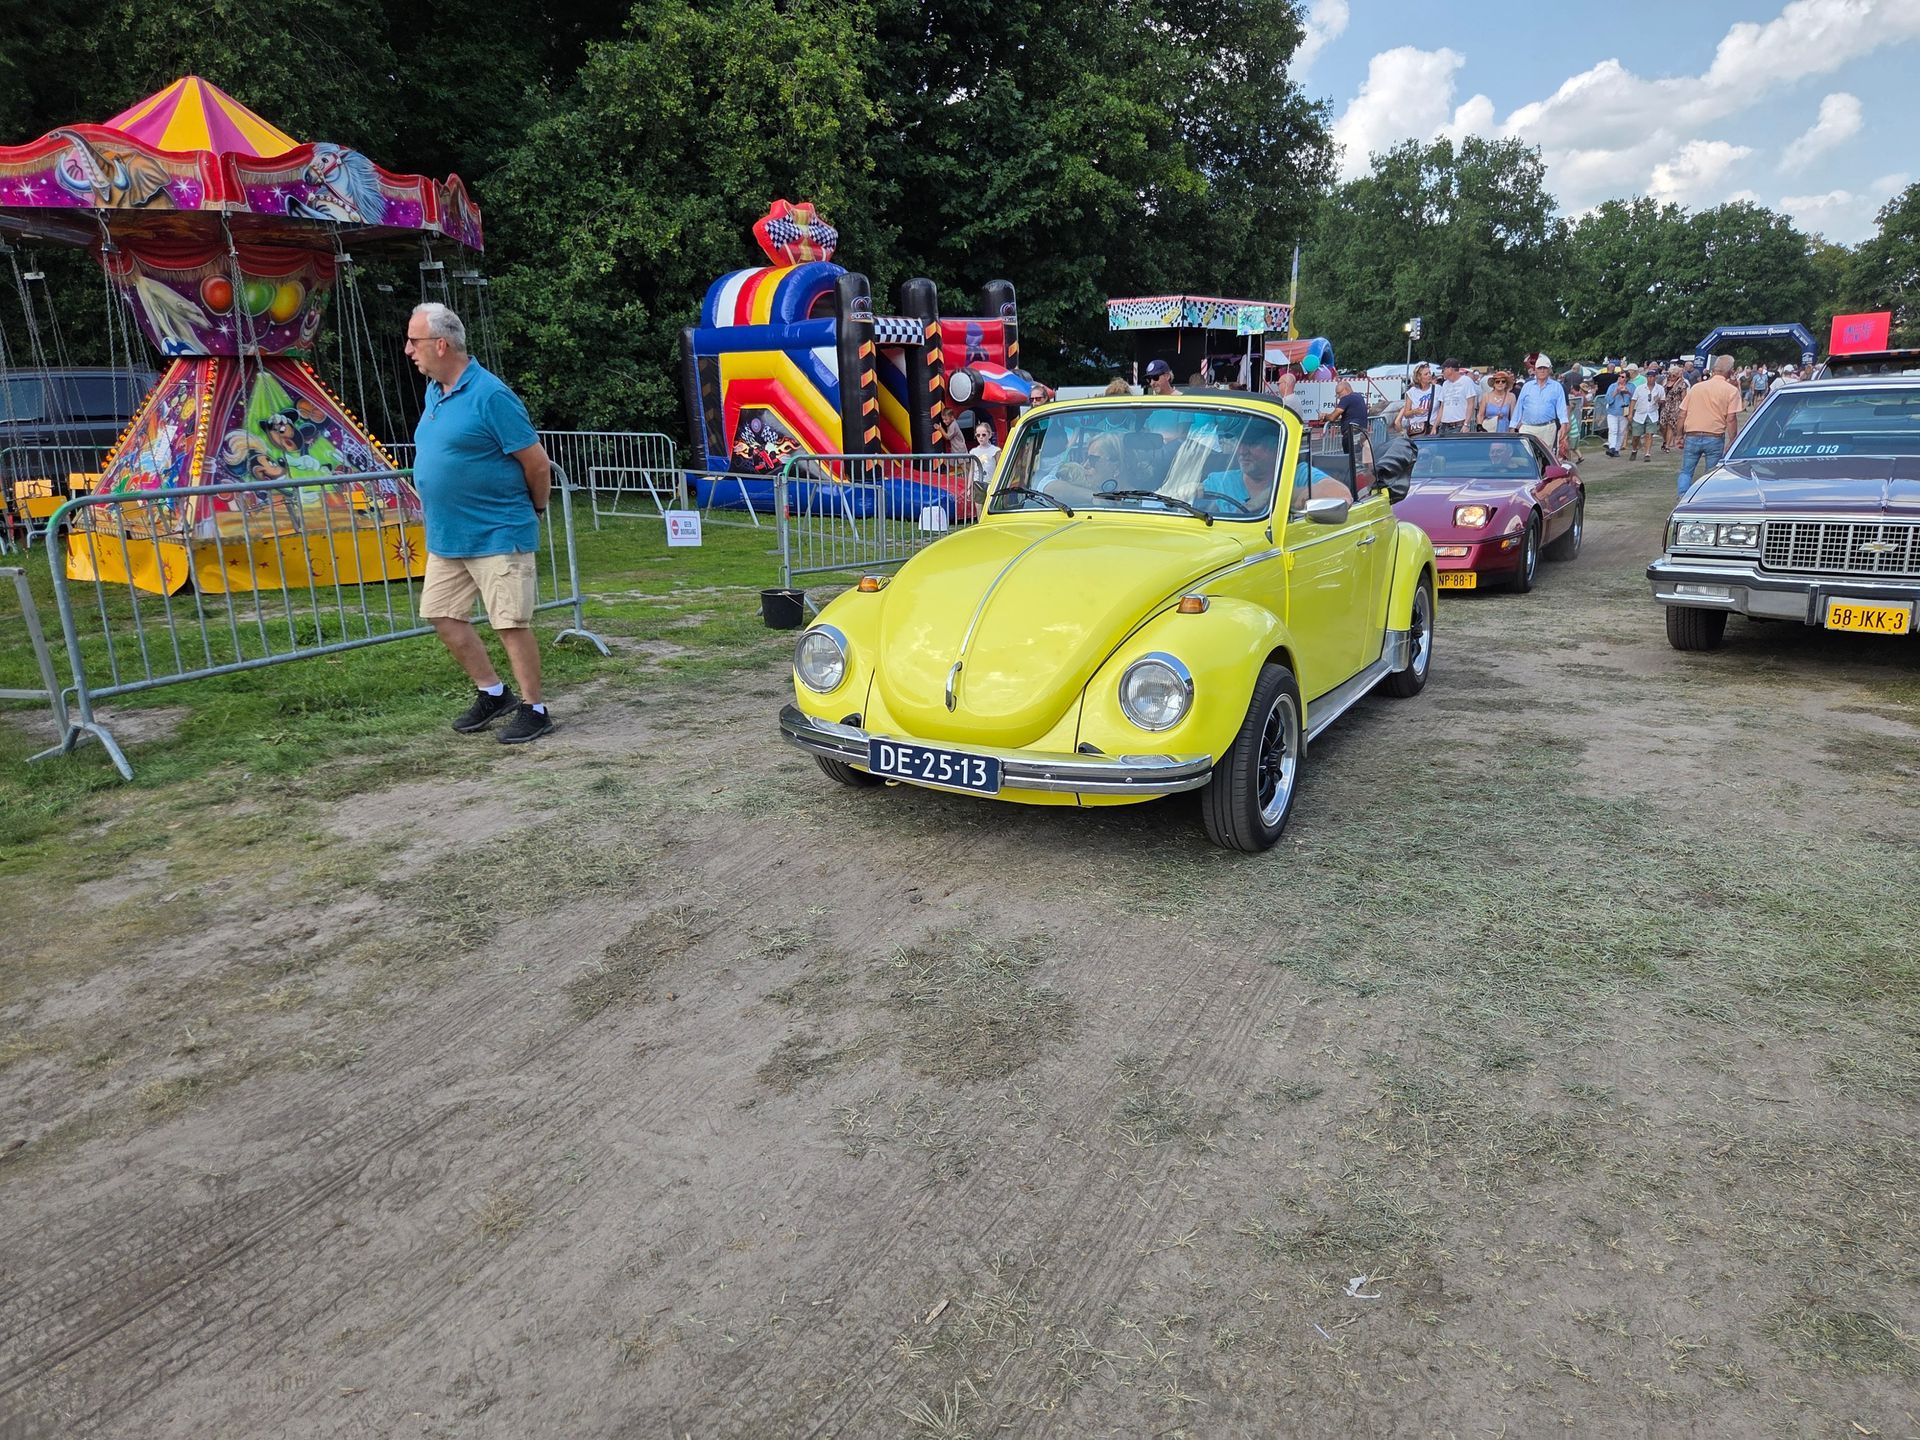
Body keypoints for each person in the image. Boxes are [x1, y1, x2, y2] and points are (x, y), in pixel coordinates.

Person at [406, 302, 555, 745]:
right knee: (440, 613)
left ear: (440, 344)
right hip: (449, 535)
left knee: (509, 622)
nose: (408, 350)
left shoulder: (491, 396)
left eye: (413, 341)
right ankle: (493, 693)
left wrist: (536, 509)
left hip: (497, 530)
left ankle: (535, 708)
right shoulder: (436, 391)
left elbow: (537, 463)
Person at [1676, 353, 1742, 497]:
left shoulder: (1696, 388)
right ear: (1730, 371)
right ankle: (1707, 496)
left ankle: (1682, 495)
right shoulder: (1731, 391)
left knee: (1686, 470)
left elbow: (1682, 414)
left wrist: (1679, 435)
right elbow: (1731, 419)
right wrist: (1733, 440)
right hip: (1714, 436)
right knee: (1711, 472)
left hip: (1692, 434)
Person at [1514, 355, 1568, 455]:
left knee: (1546, 456)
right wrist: (1513, 425)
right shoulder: (1527, 386)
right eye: (1540, 368)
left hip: (1547, 428)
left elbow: (1561, 407)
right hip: (1528, 427)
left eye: (1545, 368)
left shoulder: (1557, 387)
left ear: (1549, 370)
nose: (1542, 371)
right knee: (1528, 456)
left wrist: (1564, 423)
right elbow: (1519, 406)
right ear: (1535, 370)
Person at [1329, 378, 1371, 466]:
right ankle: (1368, 471)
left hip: (1351, 432)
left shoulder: (1346, 398)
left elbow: (1333, 417)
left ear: (1346, 389)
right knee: (1361, 457)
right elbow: (1351, 414)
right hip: (1362, 431)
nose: (1338, 397)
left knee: (1351, 460)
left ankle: (1354, 472)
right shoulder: (1358, 396)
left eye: (1339, 393)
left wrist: (1325, 416)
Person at [1433, 358, 1478, 434]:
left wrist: (1466, 424)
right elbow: (1442, 407)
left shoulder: (1466, 381)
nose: (1442, 372)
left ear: (1450, 369)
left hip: (1459, 426)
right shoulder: (1445, 384)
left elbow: (1471, 404)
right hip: (1444, 426)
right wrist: (1435, 426)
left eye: (1443, 370)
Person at [1629, 368, 1661, 462]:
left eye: (1652, 377)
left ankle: (1647, 453)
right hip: (1640, 414)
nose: (1650, 378)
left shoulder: (1660, 388)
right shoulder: (1640, 388)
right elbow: (1633, 400)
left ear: (1655, 378)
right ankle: (1634, 450)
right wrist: (1630, 413)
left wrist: (1658, 400)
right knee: (1636, 436)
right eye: (1649, 377)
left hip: (1652, 414)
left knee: (1649, 434)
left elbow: (1663, 400)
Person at [1396, 363, 1436, 436]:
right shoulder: (1412, 392)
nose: (1429, 375)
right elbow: (1406, 414)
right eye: (1426, 374)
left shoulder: (1437, 389)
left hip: (1432, 429)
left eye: (1430, 373)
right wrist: (1415, 411)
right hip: (1417, 430)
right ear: (1419, 377)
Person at [1659, 364, 1688, 453]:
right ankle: (1665, 440)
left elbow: (1684, 397)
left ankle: (1667, 445)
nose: (1671, 377)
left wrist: (1683, 409)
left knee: (1670, 425)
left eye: (1674, 375)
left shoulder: (1682, 384)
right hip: (1665, 406)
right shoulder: (1665, 382)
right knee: (1662, 425)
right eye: (1670, 375)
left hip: (1676, 406)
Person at [1601, 373, 1632, 457]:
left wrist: (1628, 392)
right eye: (1620, 376)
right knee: (1613, 430)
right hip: (1613, 411)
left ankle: (1617, 449)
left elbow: (1634, 398)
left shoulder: (1631, 386)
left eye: (1623, 377)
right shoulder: (1612, 386)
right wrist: (1616, 392)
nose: (1621, 378)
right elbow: (1608, 400)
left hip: (1624, 412)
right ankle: (1612, 447)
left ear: (1627, 378)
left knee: (1621, 431)